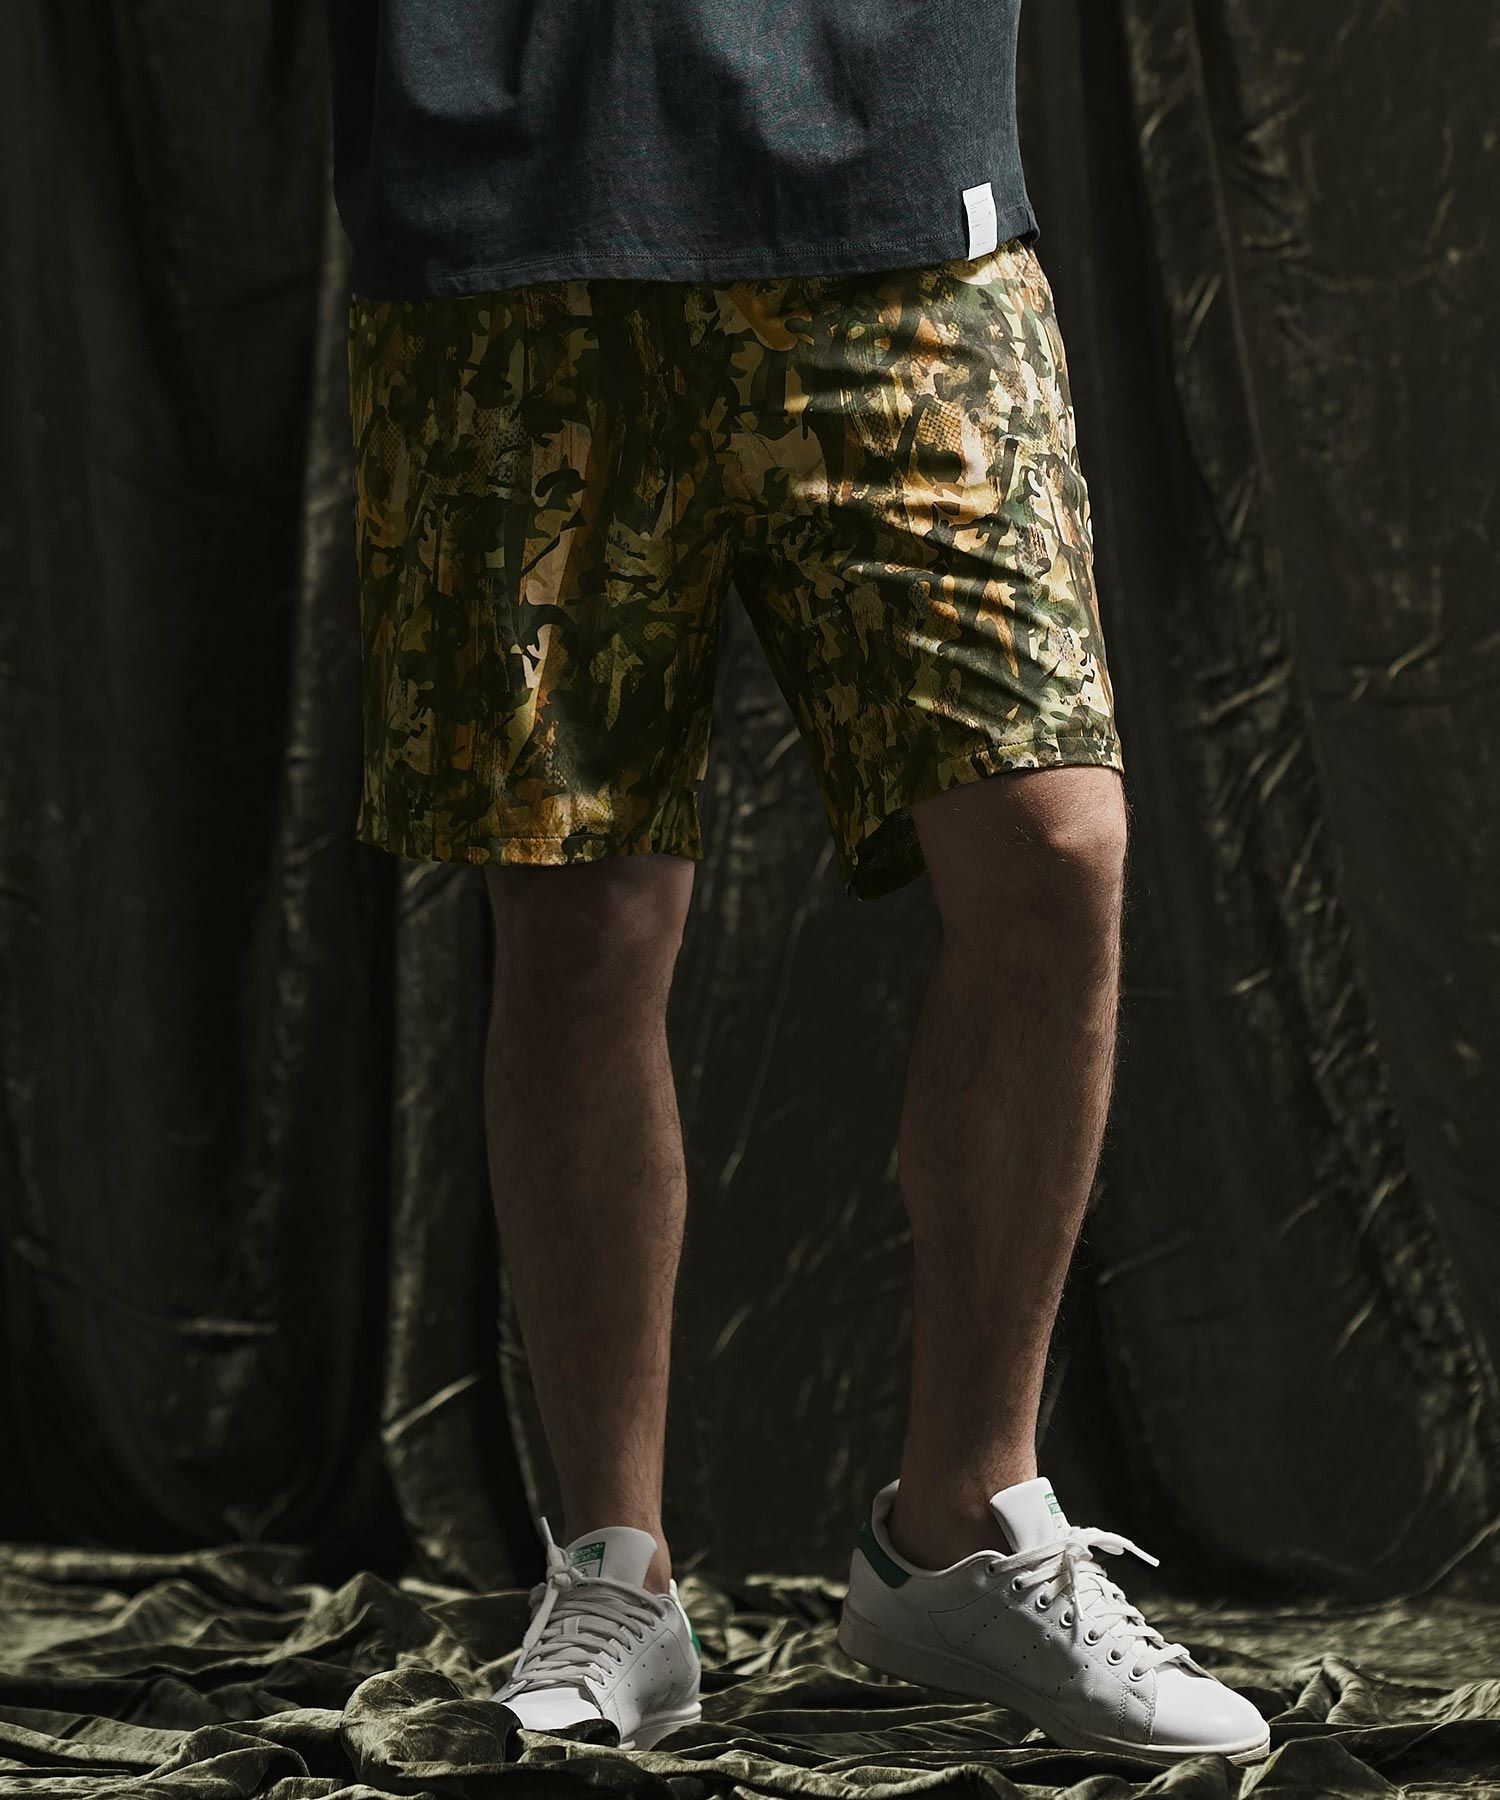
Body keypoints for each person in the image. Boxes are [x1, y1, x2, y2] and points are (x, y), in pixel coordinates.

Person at [322, 0, 1271, 1770]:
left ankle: (964, 1527)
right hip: (516, 210)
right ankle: (612, 1582)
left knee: (1055, 844)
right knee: (579, 910)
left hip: (894, 192)